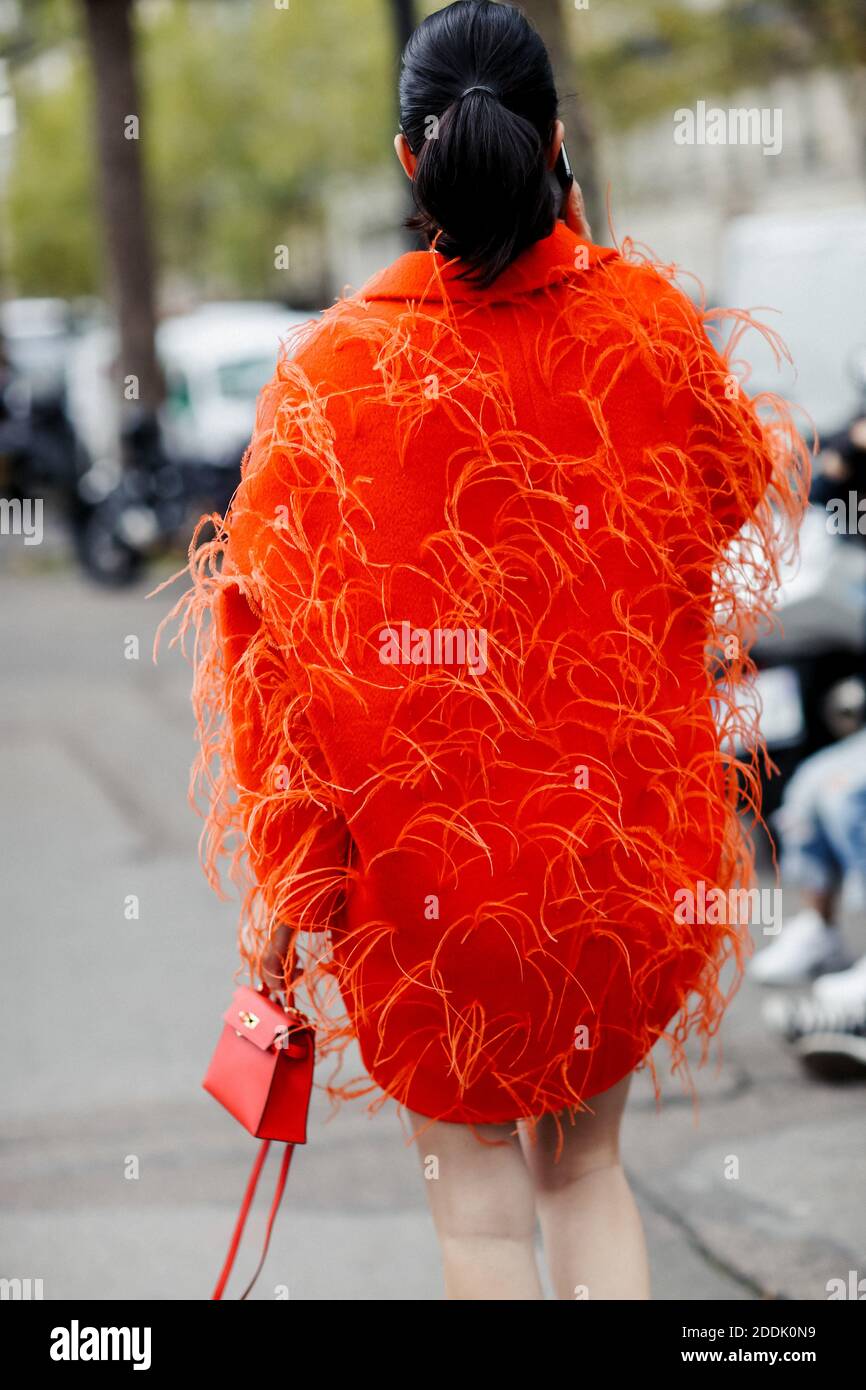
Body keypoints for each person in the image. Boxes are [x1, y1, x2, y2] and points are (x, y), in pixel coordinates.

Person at [168, 1, 807, 1299]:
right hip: (611, 856)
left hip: (424, 887)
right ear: (552, 138)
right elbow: (729, 486)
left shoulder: (329, 374)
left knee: (474, 1215)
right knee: (586, 1174)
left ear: (412, 161)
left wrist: (293, 880)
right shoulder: (648, 328)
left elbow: (267, 644)